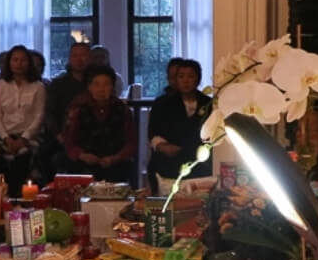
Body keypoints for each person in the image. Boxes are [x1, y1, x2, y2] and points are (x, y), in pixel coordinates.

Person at [0, 44, 46, 193]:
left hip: (27, 136)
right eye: (15, 60)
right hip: (2, 136)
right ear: (9, 63)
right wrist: (7, 138)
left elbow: (39, 116)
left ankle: (19, 196)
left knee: (24, 156)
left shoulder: (38, 87)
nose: (19, 64)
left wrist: (23, 139)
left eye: (23, 60)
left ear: (29, 63)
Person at [62, 64, 137, 184]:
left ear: (112, 87)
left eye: (106, 84)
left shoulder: (122, 109)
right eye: (96, 84)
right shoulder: (78, 107)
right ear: (89, 87)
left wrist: (115, 158)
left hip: (115, 165)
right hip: (84, 166)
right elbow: (69, 143)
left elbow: (131, 143)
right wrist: (83, 155)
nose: (101, 89)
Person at [147, 58, 213, 191]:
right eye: (181, 76)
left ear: (198, 79)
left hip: (198, 164)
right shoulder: (163, 103)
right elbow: (153, 131)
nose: (186, 81)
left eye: (190, 76)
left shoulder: (208, 103)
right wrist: (162, 146)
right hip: (169, 164)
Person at [40, 41, 90, 180]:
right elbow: (50, 113)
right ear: (69, 58)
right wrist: (59, 135)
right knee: (47, 154)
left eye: (83, 55)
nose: (79, 60)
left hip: (91, 135)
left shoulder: (95, 82)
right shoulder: (59, 83)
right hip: (63, 134)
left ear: (90, 58)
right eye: (75, 56)